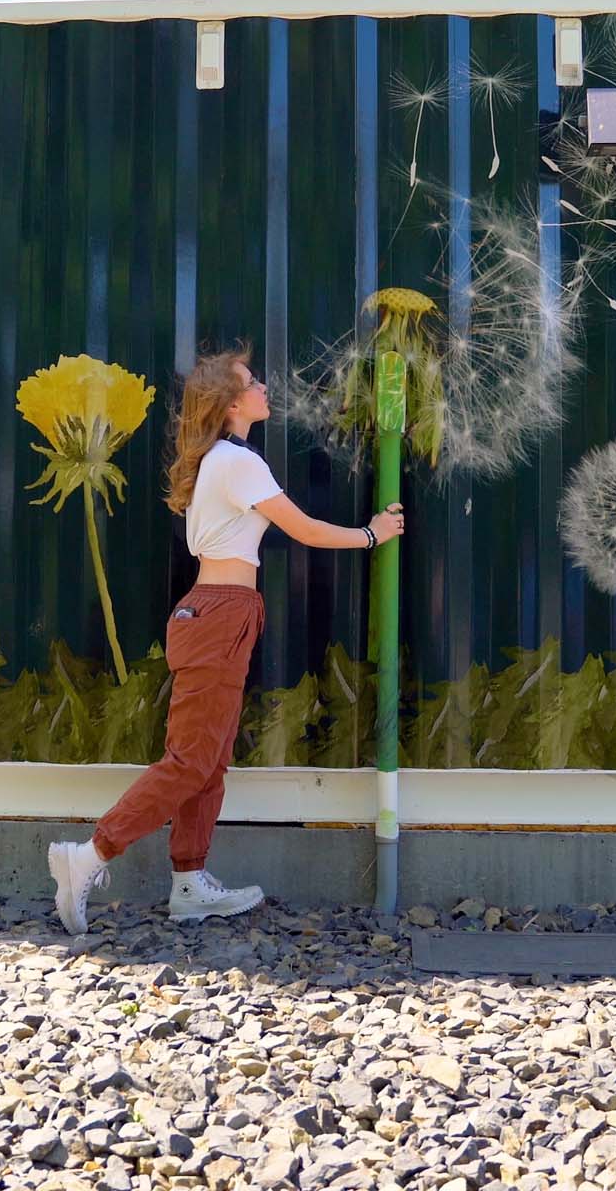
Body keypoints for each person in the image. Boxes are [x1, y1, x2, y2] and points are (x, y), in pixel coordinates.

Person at [46, 346, 404, 933]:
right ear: (232, 403)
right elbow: (305, 529)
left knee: (207, 762)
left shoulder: (224, 459)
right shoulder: (239, 463)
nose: (263, 386)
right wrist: (373, 534)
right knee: (191, 760)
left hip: (217, 613)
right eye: (251, 381)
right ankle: (86, 858)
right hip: (219, 615)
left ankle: (188, 884)